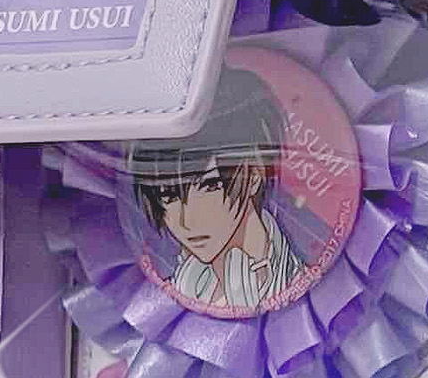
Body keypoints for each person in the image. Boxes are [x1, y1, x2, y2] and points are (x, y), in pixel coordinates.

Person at [126, 63, 302, 314]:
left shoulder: (292, 280)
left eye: (210, 186)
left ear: (254, 173)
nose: (187, 221)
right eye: (169, 195)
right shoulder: (187, 282)